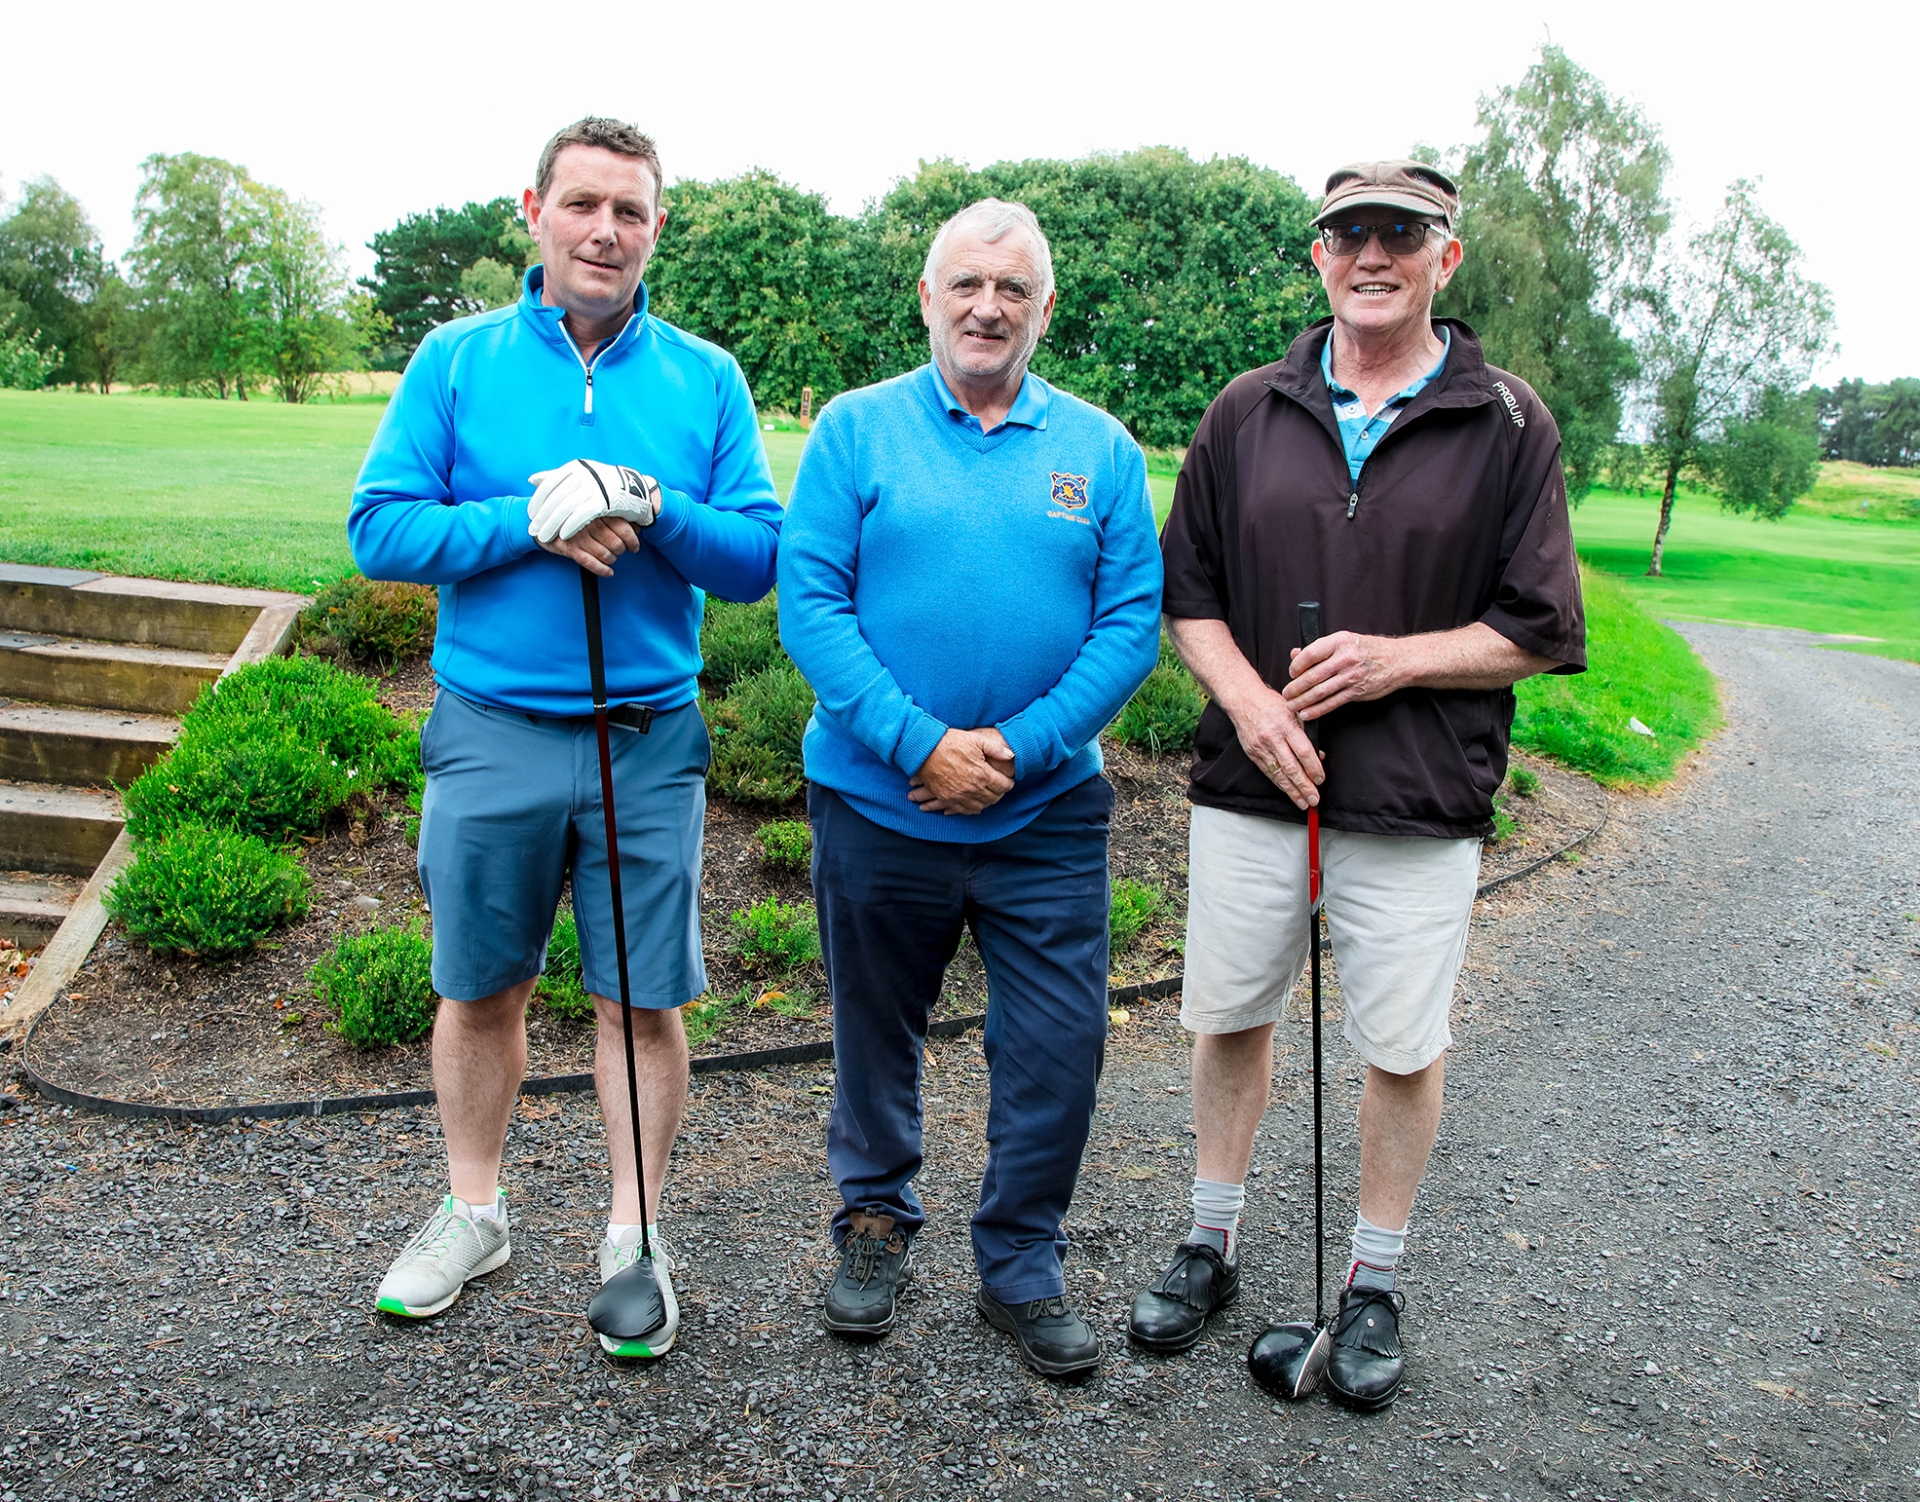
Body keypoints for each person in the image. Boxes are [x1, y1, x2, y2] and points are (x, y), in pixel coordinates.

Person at [1132, 160, 1585, 1409]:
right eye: (1349, 234)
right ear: (1320, 256)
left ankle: (1372, 1278)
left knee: (1398, 1040)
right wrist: (1250, 702)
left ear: (1447, 254)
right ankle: (1209, 1239)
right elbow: (1192, 594)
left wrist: (1397, 661)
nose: (1371, 252)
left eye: (1403, 232)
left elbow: (1539, 623)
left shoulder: (1506, 419)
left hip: (1418, 794)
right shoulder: (1246, 409)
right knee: (1226, 1013)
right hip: (1252, 779)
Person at [348, 117, 782, 1357]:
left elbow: (757, 557)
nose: (606, 230)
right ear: (532, 208)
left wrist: (642, 498)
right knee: (480, 986)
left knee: (640, 999)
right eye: (583, 204)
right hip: (492, 728)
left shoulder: (704, 377)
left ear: (656, 226)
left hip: (647, 737)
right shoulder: (456, 358)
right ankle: (473, 1209)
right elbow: (380, 530)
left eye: (631, 212)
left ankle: (633, 1235)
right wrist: (531, 516)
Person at [778, 199, 1162, 1378]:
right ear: (930, 299)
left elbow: (1130, 620)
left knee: (1057, 1043)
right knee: (873, 1028)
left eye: (1013, 289)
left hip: (1045, 813)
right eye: (966, 285)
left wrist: (1019, 747)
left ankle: (1021, 1260)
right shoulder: (856, 432)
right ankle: (876, 1219)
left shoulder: (1100, 450)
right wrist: (916, 743)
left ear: (1045, 309)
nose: (987, 306)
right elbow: (811, 603)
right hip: (876, 800)